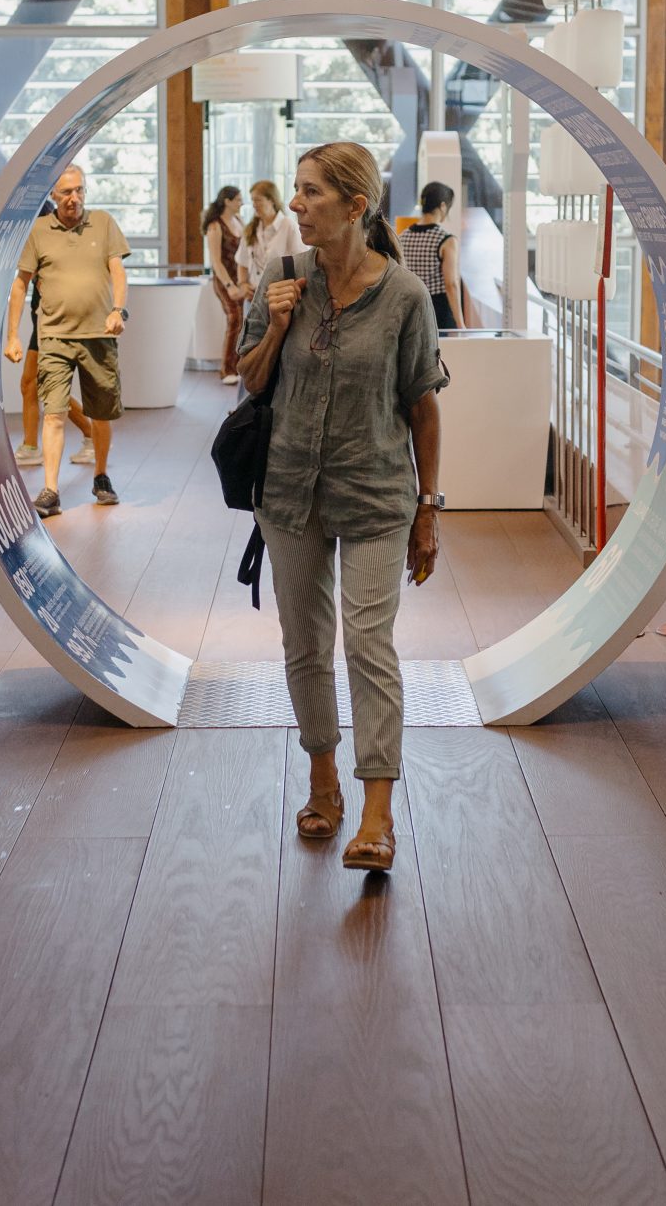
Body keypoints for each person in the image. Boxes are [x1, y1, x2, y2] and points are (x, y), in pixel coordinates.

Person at [237, 143, 446, 873]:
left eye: (312, 192)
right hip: (289, 491)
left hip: (377, 494)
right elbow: (249, 380)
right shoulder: (281, 278)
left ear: (356, 206)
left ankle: (378, 812)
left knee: (367, 644)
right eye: (295, 190)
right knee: (304, 644)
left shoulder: (405, 297)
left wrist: (428, 509)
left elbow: (423, 406)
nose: (297, 204)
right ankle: (322, 781)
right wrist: (275, 327)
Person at [4, 165, 129, 516]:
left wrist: (118, 310)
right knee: (54, 413)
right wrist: (13, 336)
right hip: (54, 337)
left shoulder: (103, 223)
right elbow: (20, 284)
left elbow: (118, 270)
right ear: (53, 195)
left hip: (98, 336)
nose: (73, 198)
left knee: (100, 414)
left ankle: (101, 476)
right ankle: (51, 490)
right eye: (66, 192)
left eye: (79, 190)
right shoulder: (39, 231)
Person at [14, 195, 92, 462]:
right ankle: (31, 447)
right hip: (42, 319)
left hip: (55, 322)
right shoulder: (36, 241)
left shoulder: (49, 237)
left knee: (44, 385)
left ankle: (91, 435)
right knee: (31, 383)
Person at [396, 180, 468, 333]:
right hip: (438, 310)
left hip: (410, 308)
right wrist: (461, 324)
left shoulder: (402, 237)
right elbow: (451, 284)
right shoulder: (446, 240)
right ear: (443, 206)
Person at [202, 184, 247, 384]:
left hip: (240, 279)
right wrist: (230, 285)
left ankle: (240, 367)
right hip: (224, 281)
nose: (241, 203)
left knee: (244, 321)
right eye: (238, 199)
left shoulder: (239, 221)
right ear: (227, 201)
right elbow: (216, 261)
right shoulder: (215, 226)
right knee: (234, 318)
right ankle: (227, 369)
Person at [238, 177, 303, 289]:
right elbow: (242, 261)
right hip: (253, 295)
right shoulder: (250, 228)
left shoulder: (288, 226)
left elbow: (301, 263)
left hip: (280, 295)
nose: (254, 205)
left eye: (258, 200)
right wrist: (243, 284)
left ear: (272, 200)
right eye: (252, 200)